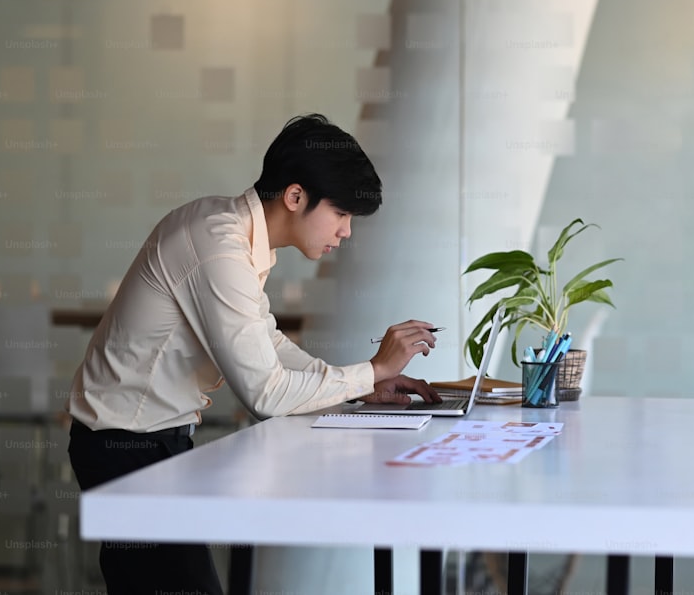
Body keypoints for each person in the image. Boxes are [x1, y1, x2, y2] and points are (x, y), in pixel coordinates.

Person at [66, 113, 442, 595]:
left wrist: (368, 383)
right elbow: (264, 392)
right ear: (295, 196)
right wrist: (370, 370)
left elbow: (266, 341)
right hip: (124, 445)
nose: (346, 232)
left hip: (150, 442)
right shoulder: (219, 248)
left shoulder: (230, 232)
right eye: (342, 214)